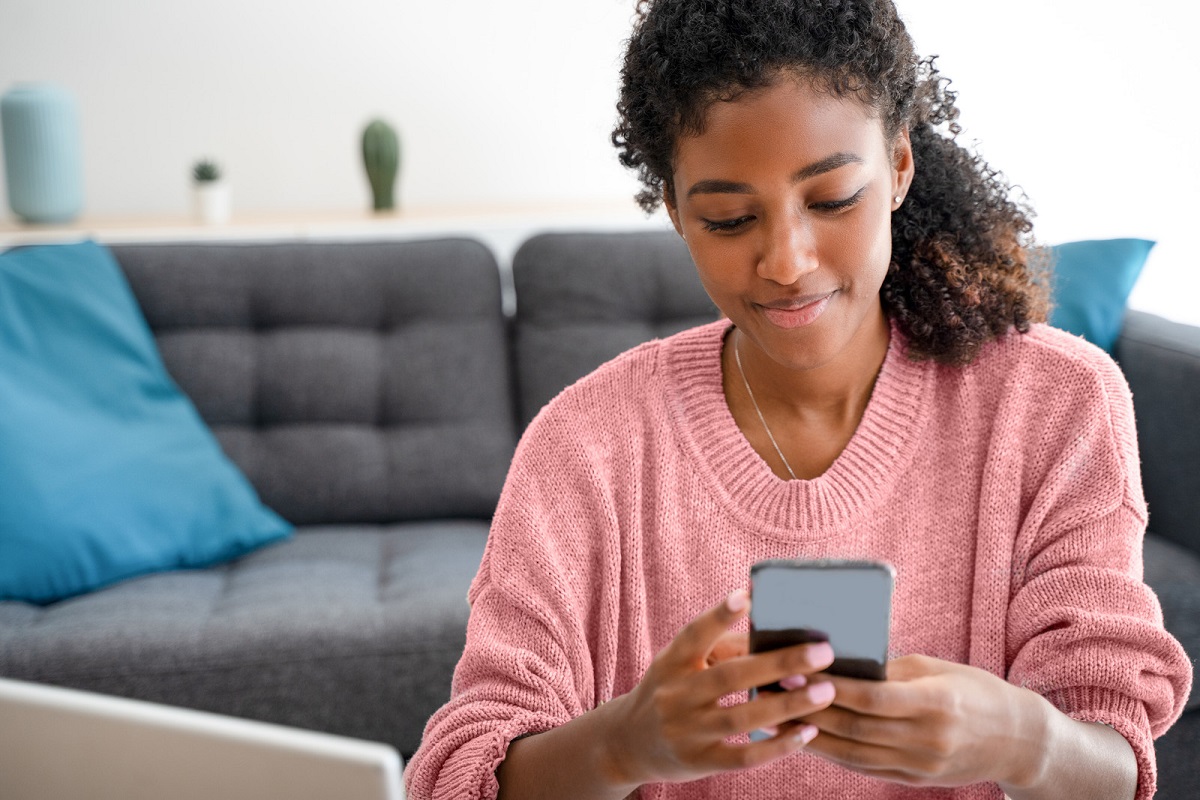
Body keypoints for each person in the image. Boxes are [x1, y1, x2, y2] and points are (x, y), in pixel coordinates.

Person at [404, 1, 1192, 798]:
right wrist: (622, 747)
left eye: (832, 199)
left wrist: (1025, 742)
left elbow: (1112, 766)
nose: (786, 260)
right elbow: (459, 775)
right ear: (676, 213)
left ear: (899, 168)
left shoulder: (1057, 403)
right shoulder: (586, 445)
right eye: (729, 217)